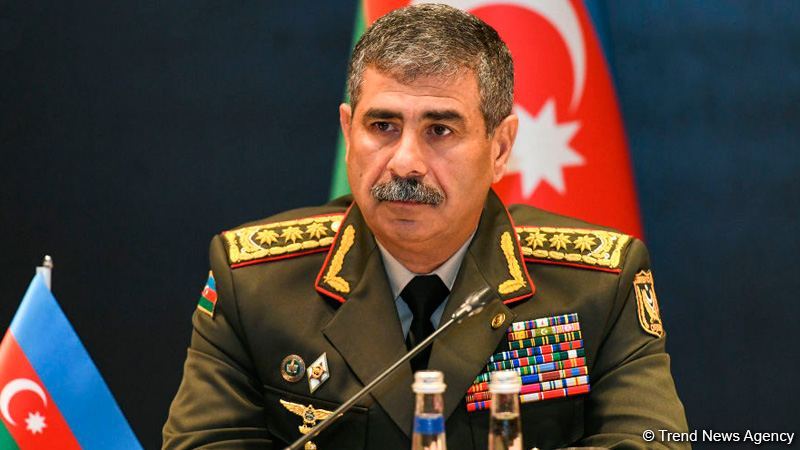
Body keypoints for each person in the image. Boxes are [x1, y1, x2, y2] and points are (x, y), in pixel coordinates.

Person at [163, 4, 688, 449]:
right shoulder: (255, 282)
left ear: (500, 148)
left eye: (440, 129)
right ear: (348, 131)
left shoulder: (597, 284)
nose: (405, 162)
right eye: (382, 126)